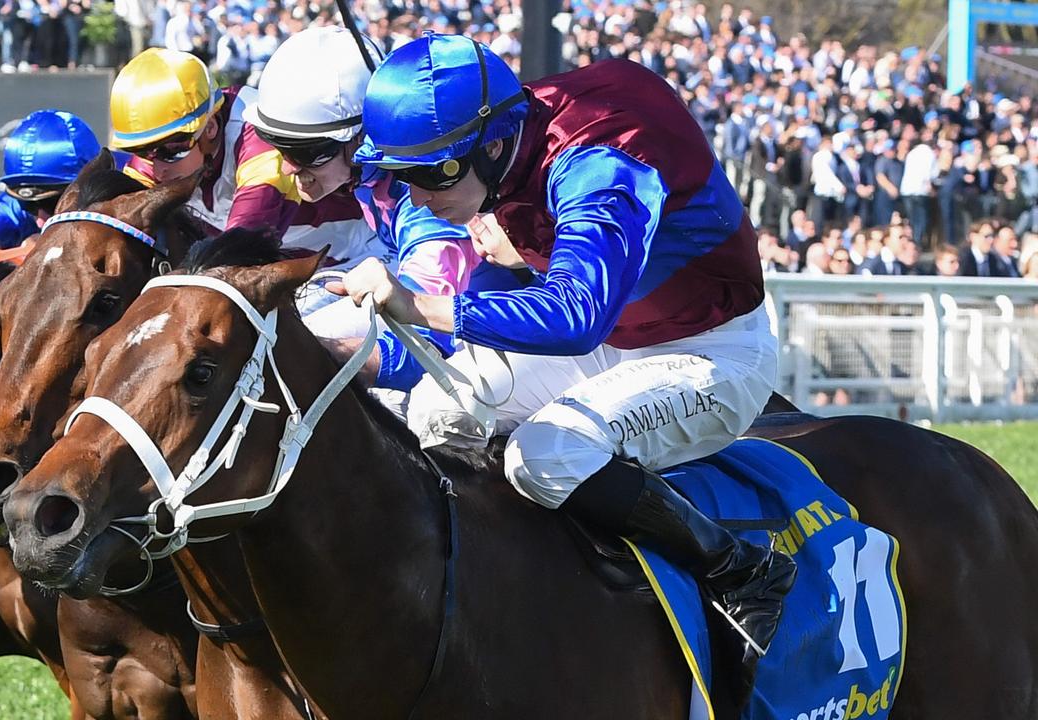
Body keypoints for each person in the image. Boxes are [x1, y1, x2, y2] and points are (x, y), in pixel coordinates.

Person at [336, 34, 795, 698]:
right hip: (622, 340)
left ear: (492, 148)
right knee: (441, 409)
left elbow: (578, 318)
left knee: (544, 455)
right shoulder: (505, 128)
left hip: (711, 353)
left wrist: (418, 305)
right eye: (404, 176)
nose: (418, 198)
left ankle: (739, 570)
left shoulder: (601, 161)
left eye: (431, 176)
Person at [242, 26, 530, 391]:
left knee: (306, 338)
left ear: (362, 138)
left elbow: (426, 342)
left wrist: (313, 359)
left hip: (507, 338)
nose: (287, 168)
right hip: (476, 315)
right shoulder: (371, 181)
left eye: (303, 153)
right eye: (278, 147)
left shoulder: (426, 197)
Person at [107, 47, 375, 266]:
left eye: (172, 149)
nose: (156, 167)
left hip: (357, 261)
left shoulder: (257, 139)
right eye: (142, 152)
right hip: (290, 277)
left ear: (210, 126)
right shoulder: (168, 149)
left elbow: (240, 250)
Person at [0, 109, 102, 269]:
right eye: (28, 205)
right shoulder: (14, 206)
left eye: (51, 203)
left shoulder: (124, 185)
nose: (40, 221)